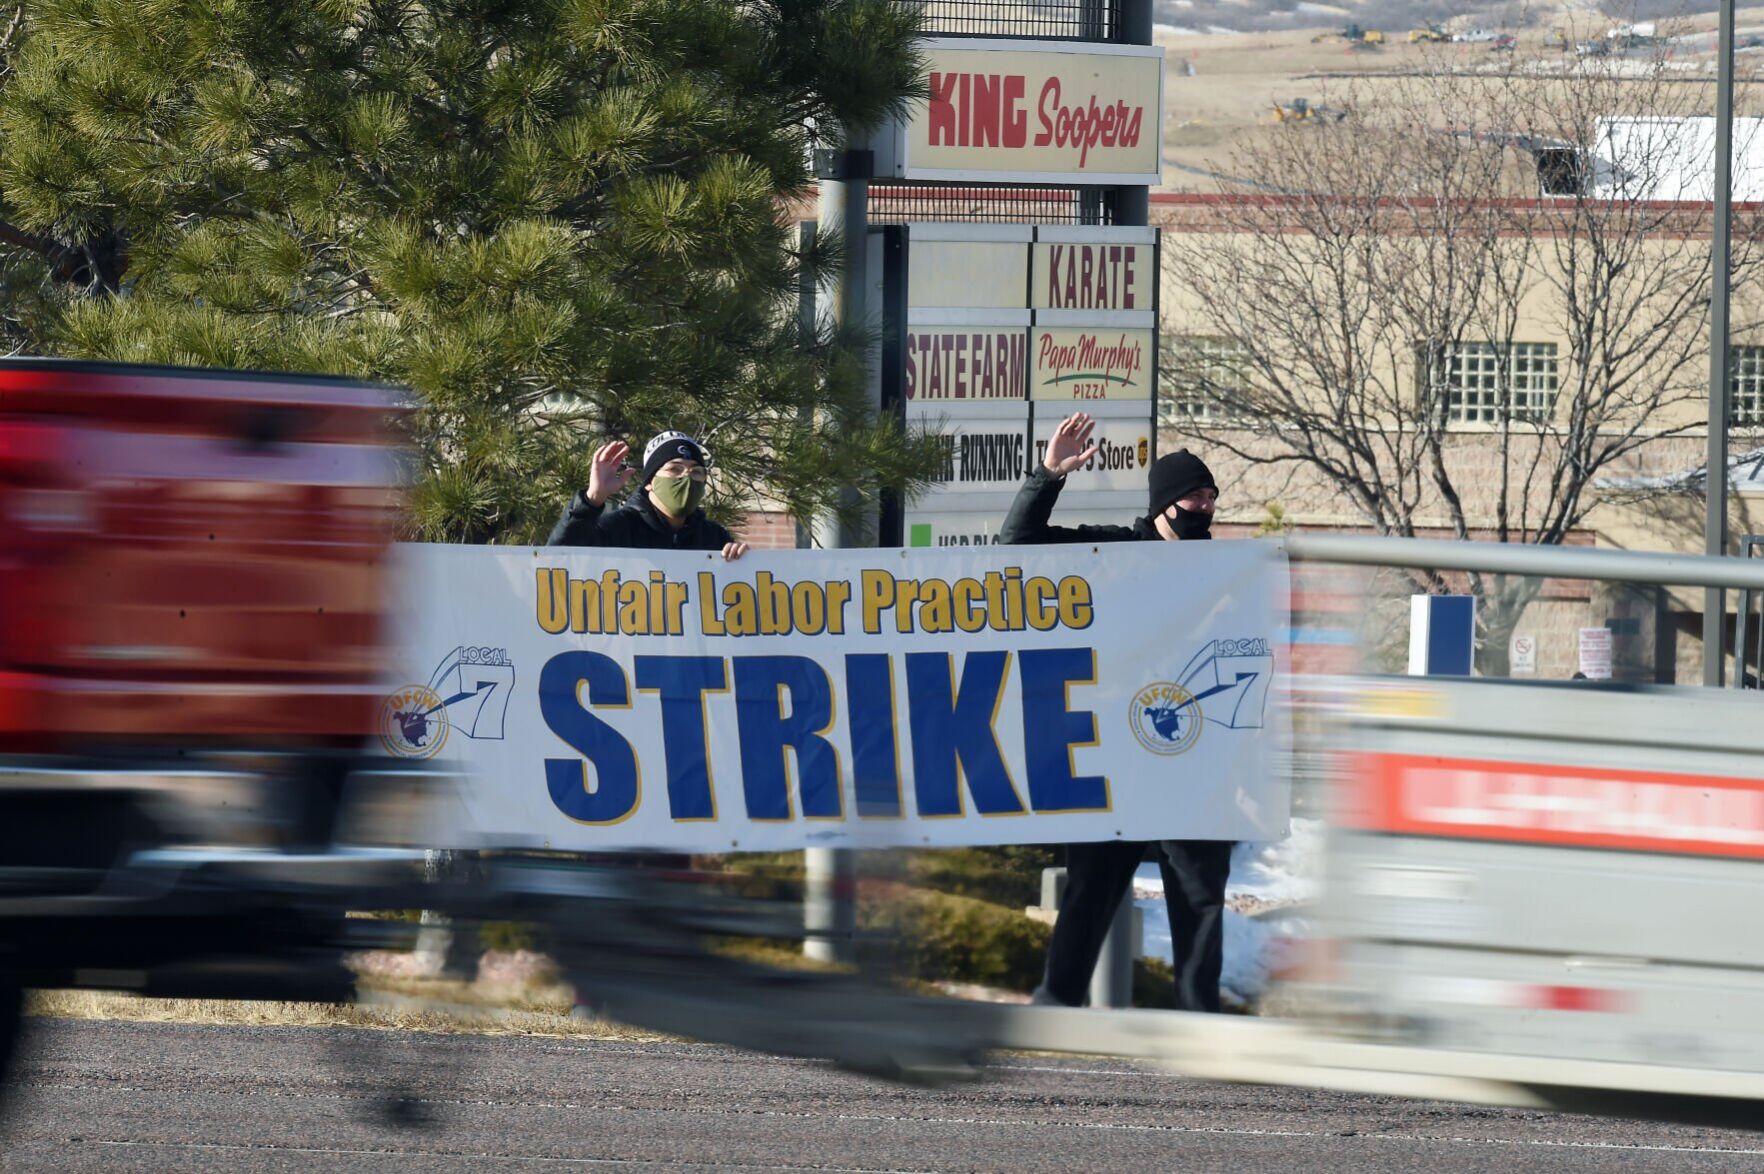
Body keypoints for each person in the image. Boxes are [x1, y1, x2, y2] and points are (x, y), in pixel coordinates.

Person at [1001, 411, 1233, 1013]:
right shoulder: (1110, 551)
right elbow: (1018, 546)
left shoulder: (1231, 573)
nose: (1204, 508)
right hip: (1117, 761)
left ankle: (1200, 1027)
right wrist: (1049, 474)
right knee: (1090, 894)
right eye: (1193, 497)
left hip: (1193, 762)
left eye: (1211, 497)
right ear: (1163, 505)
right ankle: (1058, 1010)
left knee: (1201, 898)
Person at [548, 430, 749, 559]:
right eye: (675, 469)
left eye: (696, 472)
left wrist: (745, 563)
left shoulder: (713, 537)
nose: (686, 479)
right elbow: (558, 559)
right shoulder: (617, 529)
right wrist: (592, 499)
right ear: (650, 483)